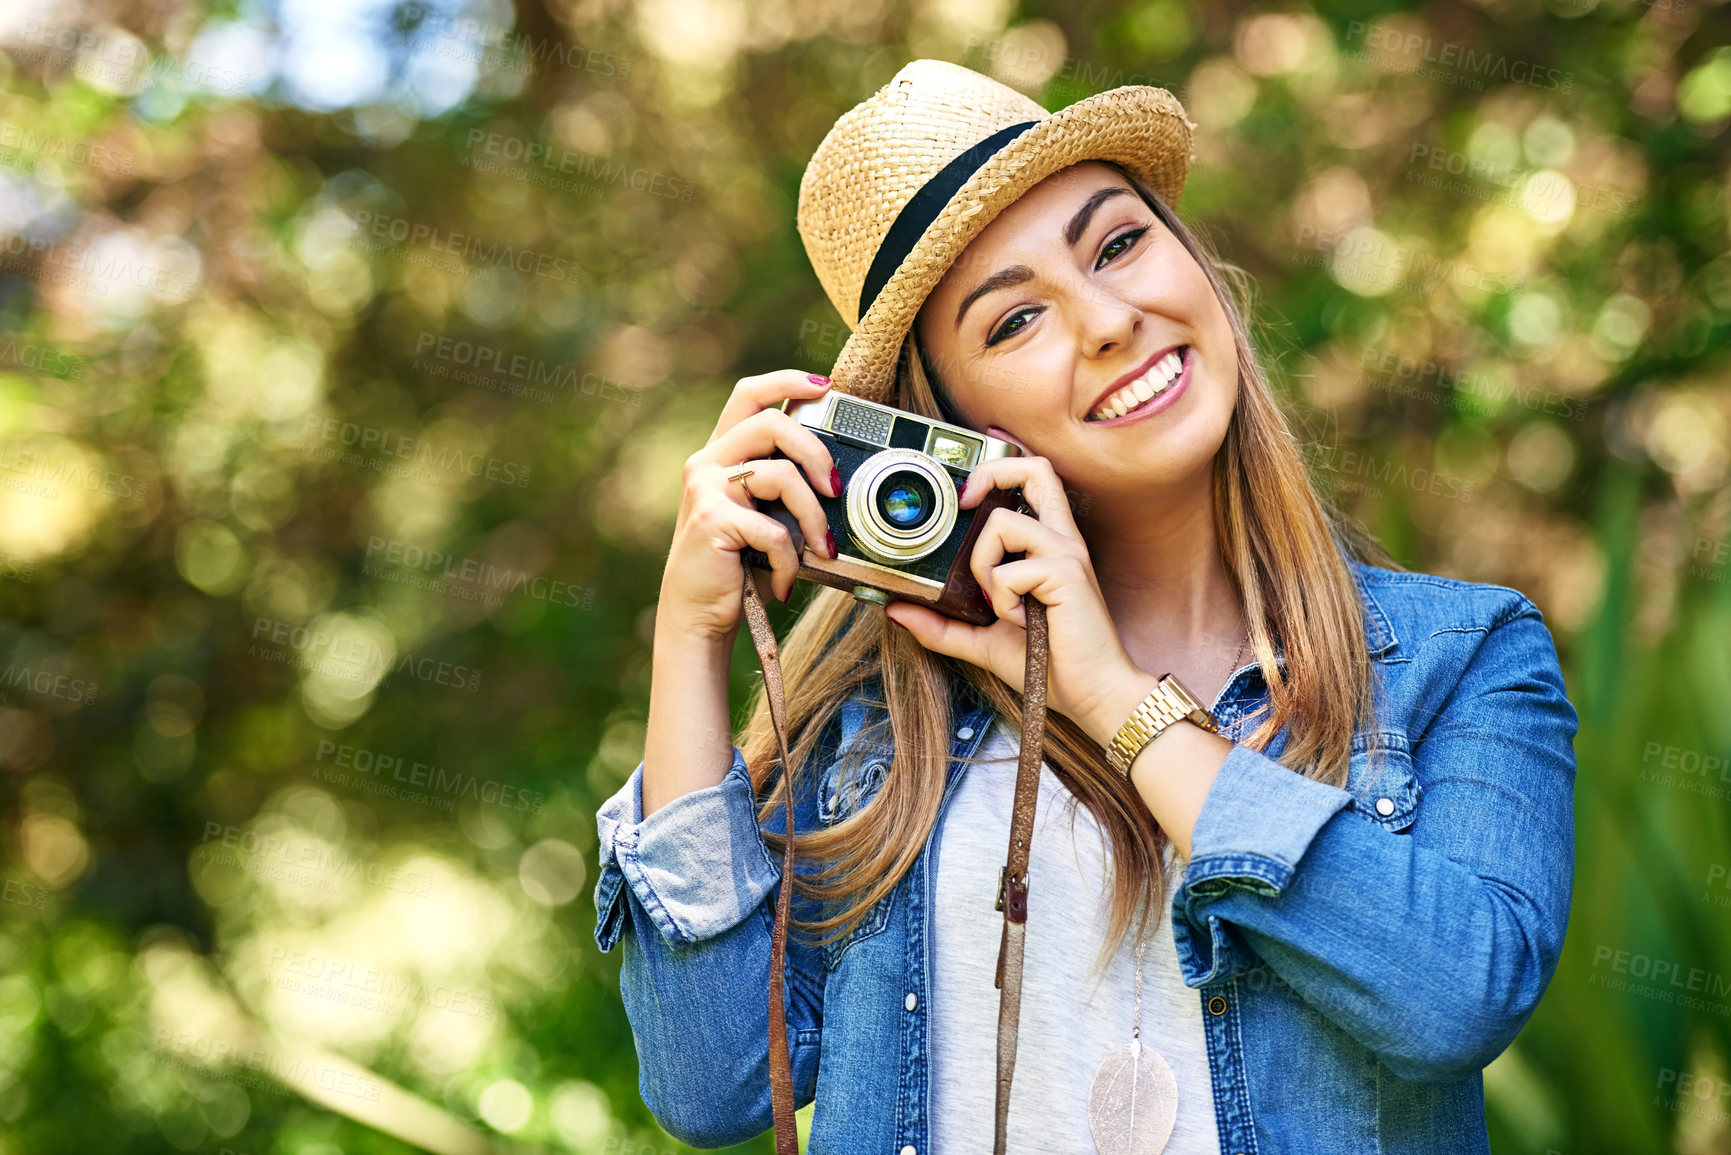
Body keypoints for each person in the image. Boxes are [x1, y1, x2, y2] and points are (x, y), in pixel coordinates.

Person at [593, 59, 1577, 1155]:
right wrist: (688, 637)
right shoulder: (881, 727)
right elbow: (711, 1083)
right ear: (949, 418)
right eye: (1014, 322)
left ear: (1192, 259)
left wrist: (1110, 695)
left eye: (1118, 244)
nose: (1110, 318)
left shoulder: (1459, 656)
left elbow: (1457, 1000)